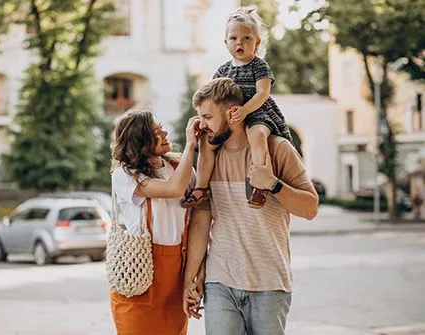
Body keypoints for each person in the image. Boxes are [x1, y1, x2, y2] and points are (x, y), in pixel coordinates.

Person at [182, 78, 319, 335]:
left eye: (208, 116)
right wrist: (191, 279)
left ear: (233, 112)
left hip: (269, 284)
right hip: (220, 281)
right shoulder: (208, 160)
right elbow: (201, 223)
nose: (202, 125)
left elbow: (310, 209)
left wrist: (273, 185)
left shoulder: (277, 150)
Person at [181, 6, 292, 210]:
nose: (239, 42)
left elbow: (262, 93)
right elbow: (211, 98)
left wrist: (245, 111)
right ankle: (201, 188)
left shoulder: (259, 66)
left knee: (257, 137)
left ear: (257, 43)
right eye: (233, 38)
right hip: (229, 118)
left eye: (247, 38)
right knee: (207, 144)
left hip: (257, 112)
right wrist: (204, 120)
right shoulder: (222, 70)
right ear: (226, 43)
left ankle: (260, 184)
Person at [109, 108, 202, 335]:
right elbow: (173, 189)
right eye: (156, 131)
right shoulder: (125, 175)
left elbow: (200, 212)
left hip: (176, 276)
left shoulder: (179, 168)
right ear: (140, 141)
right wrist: (191, 145)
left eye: (161, 128)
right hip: (139, 275)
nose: (165, 133)